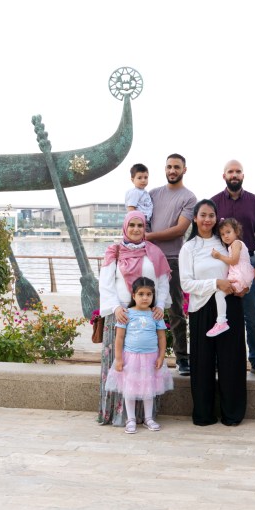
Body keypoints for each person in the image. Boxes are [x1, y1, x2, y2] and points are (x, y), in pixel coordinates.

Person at [97, 211, 171, 427]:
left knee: (146, 368)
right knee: (122, 367)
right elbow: (106, 283)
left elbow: (162, 282)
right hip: (121, 315)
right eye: (132, 225)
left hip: (148, 315)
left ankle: (145, 416)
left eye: (140, 225)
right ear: (125, 227)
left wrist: (159, 305)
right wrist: (115, 307)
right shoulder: (115, 251)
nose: (136, 229)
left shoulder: (154, 252)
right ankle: (121, 415)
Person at [179, 199, 248, 426]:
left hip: (229, 305)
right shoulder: (189, 248)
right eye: (203, 215)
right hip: (202, 308)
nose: (207, 219)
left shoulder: (226, 241)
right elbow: (186, 284)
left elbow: (242, 265)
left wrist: (245, 286)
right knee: (202, 363)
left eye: (211, 215)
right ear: (195, 218)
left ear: (217, 218)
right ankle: (204, 414)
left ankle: (232, 414)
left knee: (231, 360)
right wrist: (216, 283)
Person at [211, 160, 255, 378]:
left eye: (238, 171)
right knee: (221, 313)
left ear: (243, 176)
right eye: (231, 171)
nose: (234, 175)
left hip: (248, 265)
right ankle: (221, 359)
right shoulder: (214, 202)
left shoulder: (254, 201)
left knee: (253, 315)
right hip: (221, 265)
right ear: (224, 175)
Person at [146, 153, 197, 376]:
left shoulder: (189, 197)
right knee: (144, 307)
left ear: (184, 169)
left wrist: (149, 236)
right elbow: (143, 220)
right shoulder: (152, 194)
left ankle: (182, 358)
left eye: (177, 167)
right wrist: (145, 239)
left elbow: (180, 230)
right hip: (148, 258)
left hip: (173, 260)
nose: (172, 170)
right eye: (169, 167)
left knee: (176, 311)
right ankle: (146, 356)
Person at [104, 277, 174, 434]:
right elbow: (119, 338)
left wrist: (161, 357)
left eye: (149, 294)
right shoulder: (126, 314)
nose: (145, 298)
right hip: (131, 358)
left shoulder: (156, 315)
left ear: (153, 296)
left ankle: (149, 418)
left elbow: (162, 337)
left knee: (149, 388)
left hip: (151, 358)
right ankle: (131, 419)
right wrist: (119, 359)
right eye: (141, 294)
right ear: (133, 295)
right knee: (129, 388)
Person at [207, 218, 255, 337]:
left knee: (219, 294)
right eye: (223, 234)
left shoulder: (236, 243)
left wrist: (219, 256)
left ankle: (221, 321)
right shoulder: (233, 245)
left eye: (228, 232)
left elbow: (234, 260)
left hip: (239, 277)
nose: (226, 236)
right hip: (241, 277)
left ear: (236, 232)